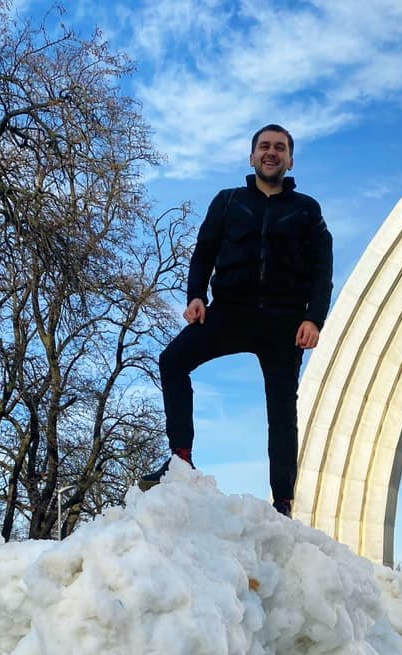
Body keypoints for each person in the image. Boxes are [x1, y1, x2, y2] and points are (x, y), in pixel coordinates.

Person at [139, 123, 334, 516]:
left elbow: (321, 269)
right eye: (265, 146)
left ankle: (282, 500)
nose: (271, 152)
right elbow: (204, 252)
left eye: (280, 147)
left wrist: (314, 319)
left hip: (283, 322)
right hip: (229, 312)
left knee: (282, 409)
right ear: (252, 156)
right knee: (172, 360)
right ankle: (180, 459)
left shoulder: (306, 210)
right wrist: (196, 295)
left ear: (290, 159)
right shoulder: (228, 202)